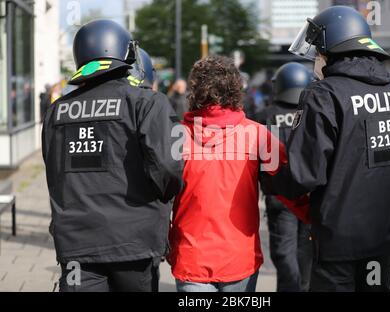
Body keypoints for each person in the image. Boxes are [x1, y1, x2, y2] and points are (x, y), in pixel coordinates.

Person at [277, 6, 390, 292]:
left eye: (317, 52)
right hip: (383, 239)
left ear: (331, 50)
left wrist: (273, 178)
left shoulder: (324, 96)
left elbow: (303, 174)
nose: (316, 60)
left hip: (338, 243)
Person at [41, 19, 183, 292]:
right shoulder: (147, 103)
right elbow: (169, 168)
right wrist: (162, 200)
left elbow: (54, 172)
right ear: (124, 52)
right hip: (134, 243)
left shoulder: (56, 111)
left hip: (76, 245)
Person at [168, 55, 286, 292]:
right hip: (239, 257)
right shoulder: (259, 135)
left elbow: (160, 189)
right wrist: (314, 221)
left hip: (192, 257)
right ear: (235, 89)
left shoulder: (175, 136)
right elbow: (290, 184)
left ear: (195, 90)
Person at [258, 62, 314, 292]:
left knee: (285, 256)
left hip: (279, 199)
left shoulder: (265, 116)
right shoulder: (315, 112)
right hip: (310, 195)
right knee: (305, 258)